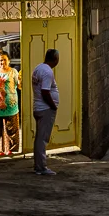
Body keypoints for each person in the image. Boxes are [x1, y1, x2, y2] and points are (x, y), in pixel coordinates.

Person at [30, 47, 61, 175]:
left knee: (39, 138)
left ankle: (39, 165)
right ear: (55, 59)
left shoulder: (39, 68)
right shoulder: (47, 72)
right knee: (42, 139)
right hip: (45, 109)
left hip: (39, 107)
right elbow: (45, 91)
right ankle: (41, 167)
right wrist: (53, 106)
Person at [0, 50, 22, 159]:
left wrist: (22, 81)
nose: (2, 62)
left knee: (11, 128)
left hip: (11, 103)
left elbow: (20, 86)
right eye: (0, 60)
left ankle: (10, 149)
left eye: (4, 60)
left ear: (9, 60)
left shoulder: (13, 72)